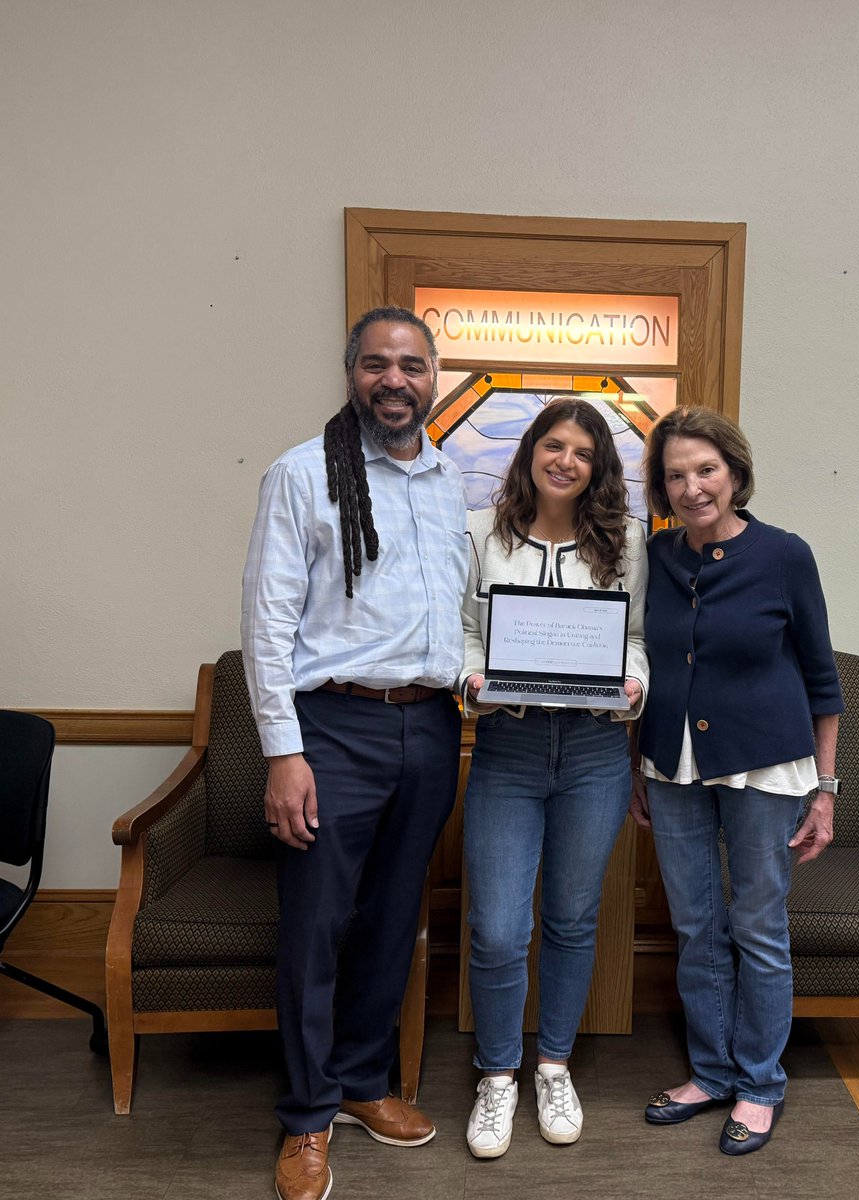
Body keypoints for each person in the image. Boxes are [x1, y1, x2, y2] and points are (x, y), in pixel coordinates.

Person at [241, 307, 469, 1200]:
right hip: (332, 728)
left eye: (411, 364)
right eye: (376, 364)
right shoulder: (302, 476)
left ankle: (365, 1084)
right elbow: (265, 622)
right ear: (352, 374)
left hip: (433, 725)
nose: (395, 380)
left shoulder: (453, 483)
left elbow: (464, 614)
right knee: (316, 924)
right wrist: (282, 753)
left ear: (434, 376)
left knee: (389, 916)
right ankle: (305, 1117)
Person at [629, 406, 843, 1157]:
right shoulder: (656, 556)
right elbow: (641, 657)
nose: (692, 488)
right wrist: (638, 766)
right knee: (694, 927)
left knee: (758, 927)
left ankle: (759, 1084)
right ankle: (712, 1072)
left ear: (736, 472)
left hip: (767, 770)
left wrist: (826, 789)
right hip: (670, 766)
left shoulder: (785, 555)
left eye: (706, 470)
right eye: (676, 475)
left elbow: (823, 677)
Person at [457, 399, 648, 1158]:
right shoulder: (479, 534)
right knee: (499, 927)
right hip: (507, 746)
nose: (565, 460)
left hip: (596, 751)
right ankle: (497, 1077)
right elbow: (465, 636)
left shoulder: (628, 542)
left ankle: (553, 1066)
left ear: (599, 467)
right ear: (531, 451)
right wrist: (473, 686)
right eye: (553, 444)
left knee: (572, 919)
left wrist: (635, 685)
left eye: (582, 451)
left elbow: (636, 641)